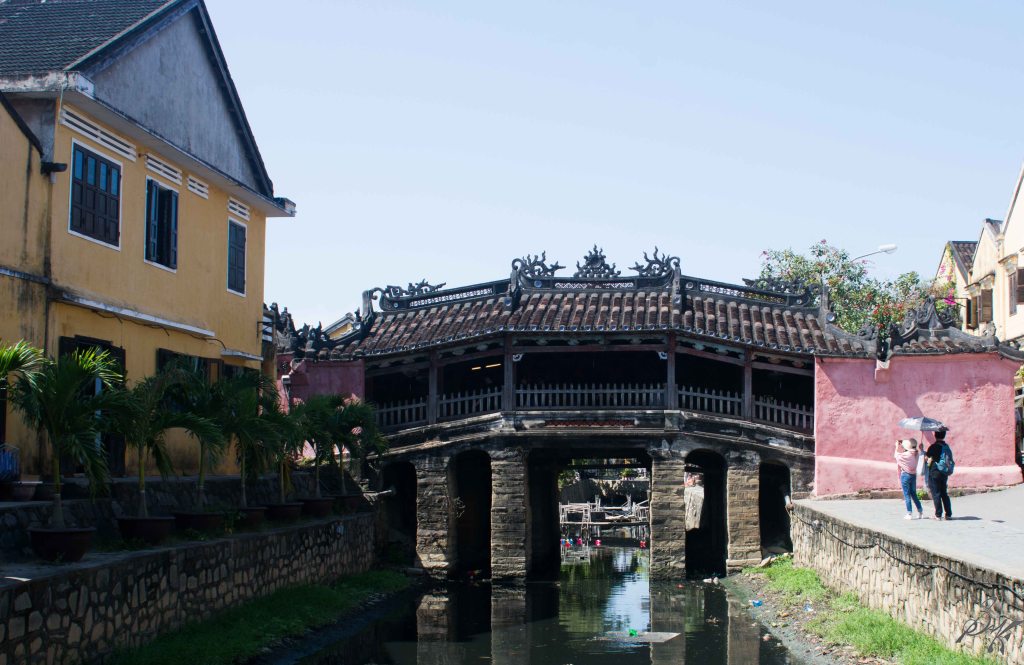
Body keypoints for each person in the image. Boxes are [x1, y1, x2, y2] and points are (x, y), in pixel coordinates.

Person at [925, 428, 953, 520]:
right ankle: (948, 514)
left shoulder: (933, 447)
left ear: (935, 435)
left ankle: (938, 514)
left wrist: (922, 450)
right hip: (944, 472)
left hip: (935, 472)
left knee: (936, 493)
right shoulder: (946, 447)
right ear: (944, 435)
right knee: (944, 493)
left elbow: (927, 458)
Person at [894, 439, 923, 520]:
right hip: (913, 475)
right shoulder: (916, 454)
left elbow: (896, 456)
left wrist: (897, 446)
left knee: (907, 495)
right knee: (914, 494)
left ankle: (909, 513)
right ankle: (920, 511)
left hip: (905, 475)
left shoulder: (905, 455)